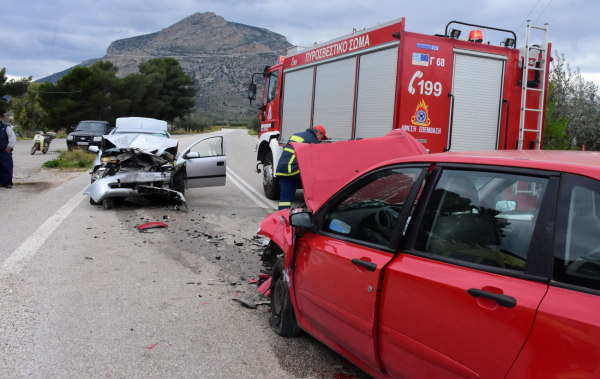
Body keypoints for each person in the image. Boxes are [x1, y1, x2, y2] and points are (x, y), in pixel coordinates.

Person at [276, 125, 328, 210]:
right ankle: (312, 210)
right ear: (318, 133)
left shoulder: (297, 135)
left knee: (285, 200)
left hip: (282, 168)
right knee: (315, 184)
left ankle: (282, 217)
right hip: (293, 169)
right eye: (322, 138)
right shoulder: (314, 141)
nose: (321, 141)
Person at [0, 115, 16, 188]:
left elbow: (12, 137)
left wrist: (9, 147)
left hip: (4, 150)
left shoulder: (6, 127)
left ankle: (8, 183)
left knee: (7, 166)